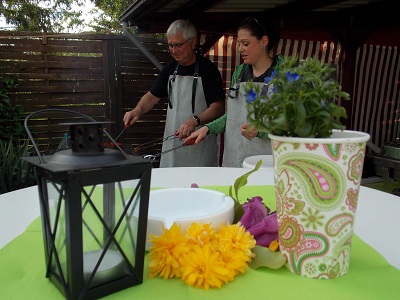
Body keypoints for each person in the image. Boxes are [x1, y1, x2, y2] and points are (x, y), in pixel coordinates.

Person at [123, 19, 225, 167]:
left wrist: (194, 120)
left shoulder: (208, 70)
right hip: (172, 146)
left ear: (192, 42)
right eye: (170, 45)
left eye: (177, 45)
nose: (173, 50)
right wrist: (138, 110)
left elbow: (218, 107)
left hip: (199, 146)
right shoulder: (170, 68)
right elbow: (152, 96)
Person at [184, 16, 281, 167]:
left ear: (264, 41)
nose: (240, 48)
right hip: (233, 160)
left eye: (246, 43)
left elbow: (293, 126)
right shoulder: (240, 72)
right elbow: (233, 117)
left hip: (266, 164)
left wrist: (260, 130)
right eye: (239, 43)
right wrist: (206, 128)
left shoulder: (284, 76)